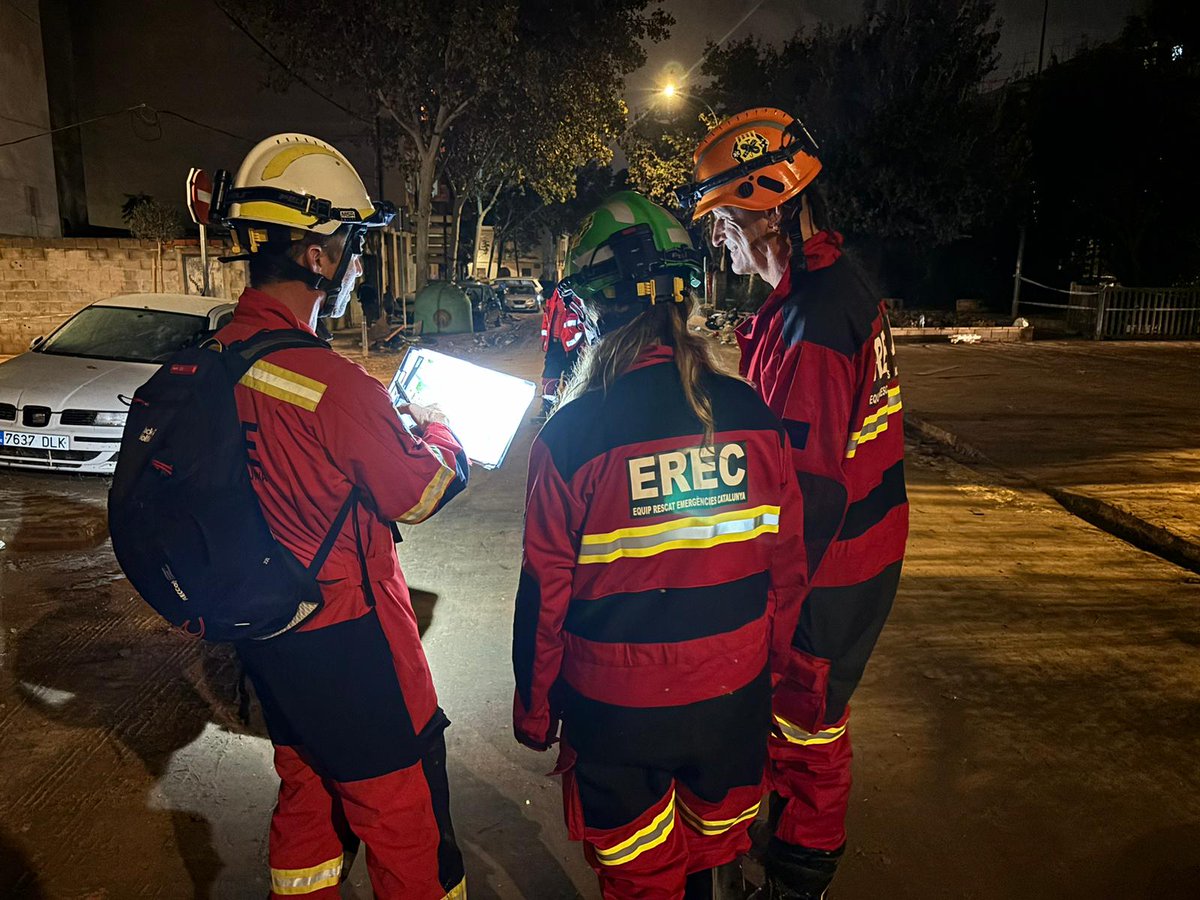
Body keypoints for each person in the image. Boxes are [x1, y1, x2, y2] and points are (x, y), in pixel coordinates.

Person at [511, 191, 809, 900]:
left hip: (616, 716)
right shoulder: (753, 418)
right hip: (731, 703)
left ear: (591, 309)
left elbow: (544, 595)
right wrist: (767, 676)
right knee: (709, 863)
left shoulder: (571, 436)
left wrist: (535, 710)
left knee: (643, 881)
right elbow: (788, 576)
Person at [211, 133, 469, 900]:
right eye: (352, 244)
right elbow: (419, 494)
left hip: (266, 630)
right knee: (404, 823)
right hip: (353, 641)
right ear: (317, 257)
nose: (359, 261)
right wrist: (439, 425)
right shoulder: (332, 382)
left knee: (307, 796)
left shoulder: (215, 357)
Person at [676, 109, 909, 899]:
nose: (718, 238)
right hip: (860, 550)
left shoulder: (812, 320)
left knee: (808, 731)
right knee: (805, 722)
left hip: (831, 571)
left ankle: (796, 882)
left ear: (773, 207)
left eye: (726, 218)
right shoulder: (824, 287)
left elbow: (802, 495)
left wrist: (756, 617)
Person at [535, 281, 588, 419]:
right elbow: (549, 321)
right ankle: (547, 407)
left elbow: (582, 317)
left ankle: (570, 409)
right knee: (549, 375)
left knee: (571, 377)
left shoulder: (571, 296)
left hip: (572, 346)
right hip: (556, 345)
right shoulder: (551, 299)